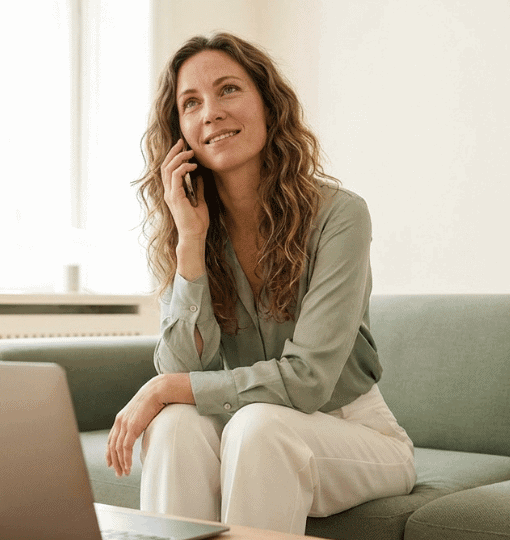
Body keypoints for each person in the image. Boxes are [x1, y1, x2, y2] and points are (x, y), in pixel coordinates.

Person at [105, 33, 417, 535]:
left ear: (268, 106)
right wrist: (190, 240)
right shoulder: (193, 226)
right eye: (191, 103)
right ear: (180, 132)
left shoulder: (340, 216)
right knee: (176, 426)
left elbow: (308, 380)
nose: (210, 112)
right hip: (249, 427)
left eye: (228, 90)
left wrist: (165, 387)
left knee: (258, 426)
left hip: (353, 429)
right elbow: (186, 365)